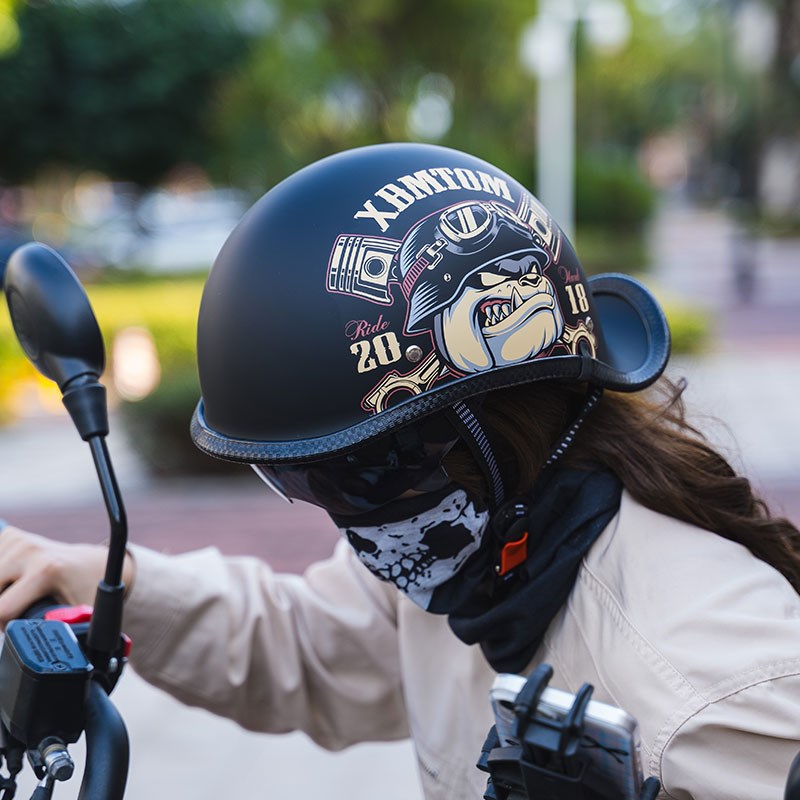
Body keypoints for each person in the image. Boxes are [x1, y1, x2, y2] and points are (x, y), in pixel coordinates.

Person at [1, 142, 800, 799]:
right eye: (299, 480)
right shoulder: (480, 555)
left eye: (360, 472)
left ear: (492, 430)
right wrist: (95, 578)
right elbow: (304, 644)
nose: (343, 516)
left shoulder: (712, 692)